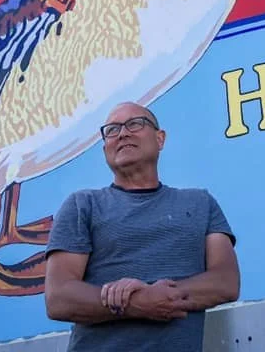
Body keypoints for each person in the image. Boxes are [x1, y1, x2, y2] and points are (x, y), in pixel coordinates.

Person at [44, 101, 240, 351]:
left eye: (135, 124)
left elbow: (225, 282)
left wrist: (158, 297)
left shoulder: (200, 203)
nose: (123, 133)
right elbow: (59, 298)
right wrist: (136, 303)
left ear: (160, 139)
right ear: (105, 147)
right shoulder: (82, 206)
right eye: (112, 130)